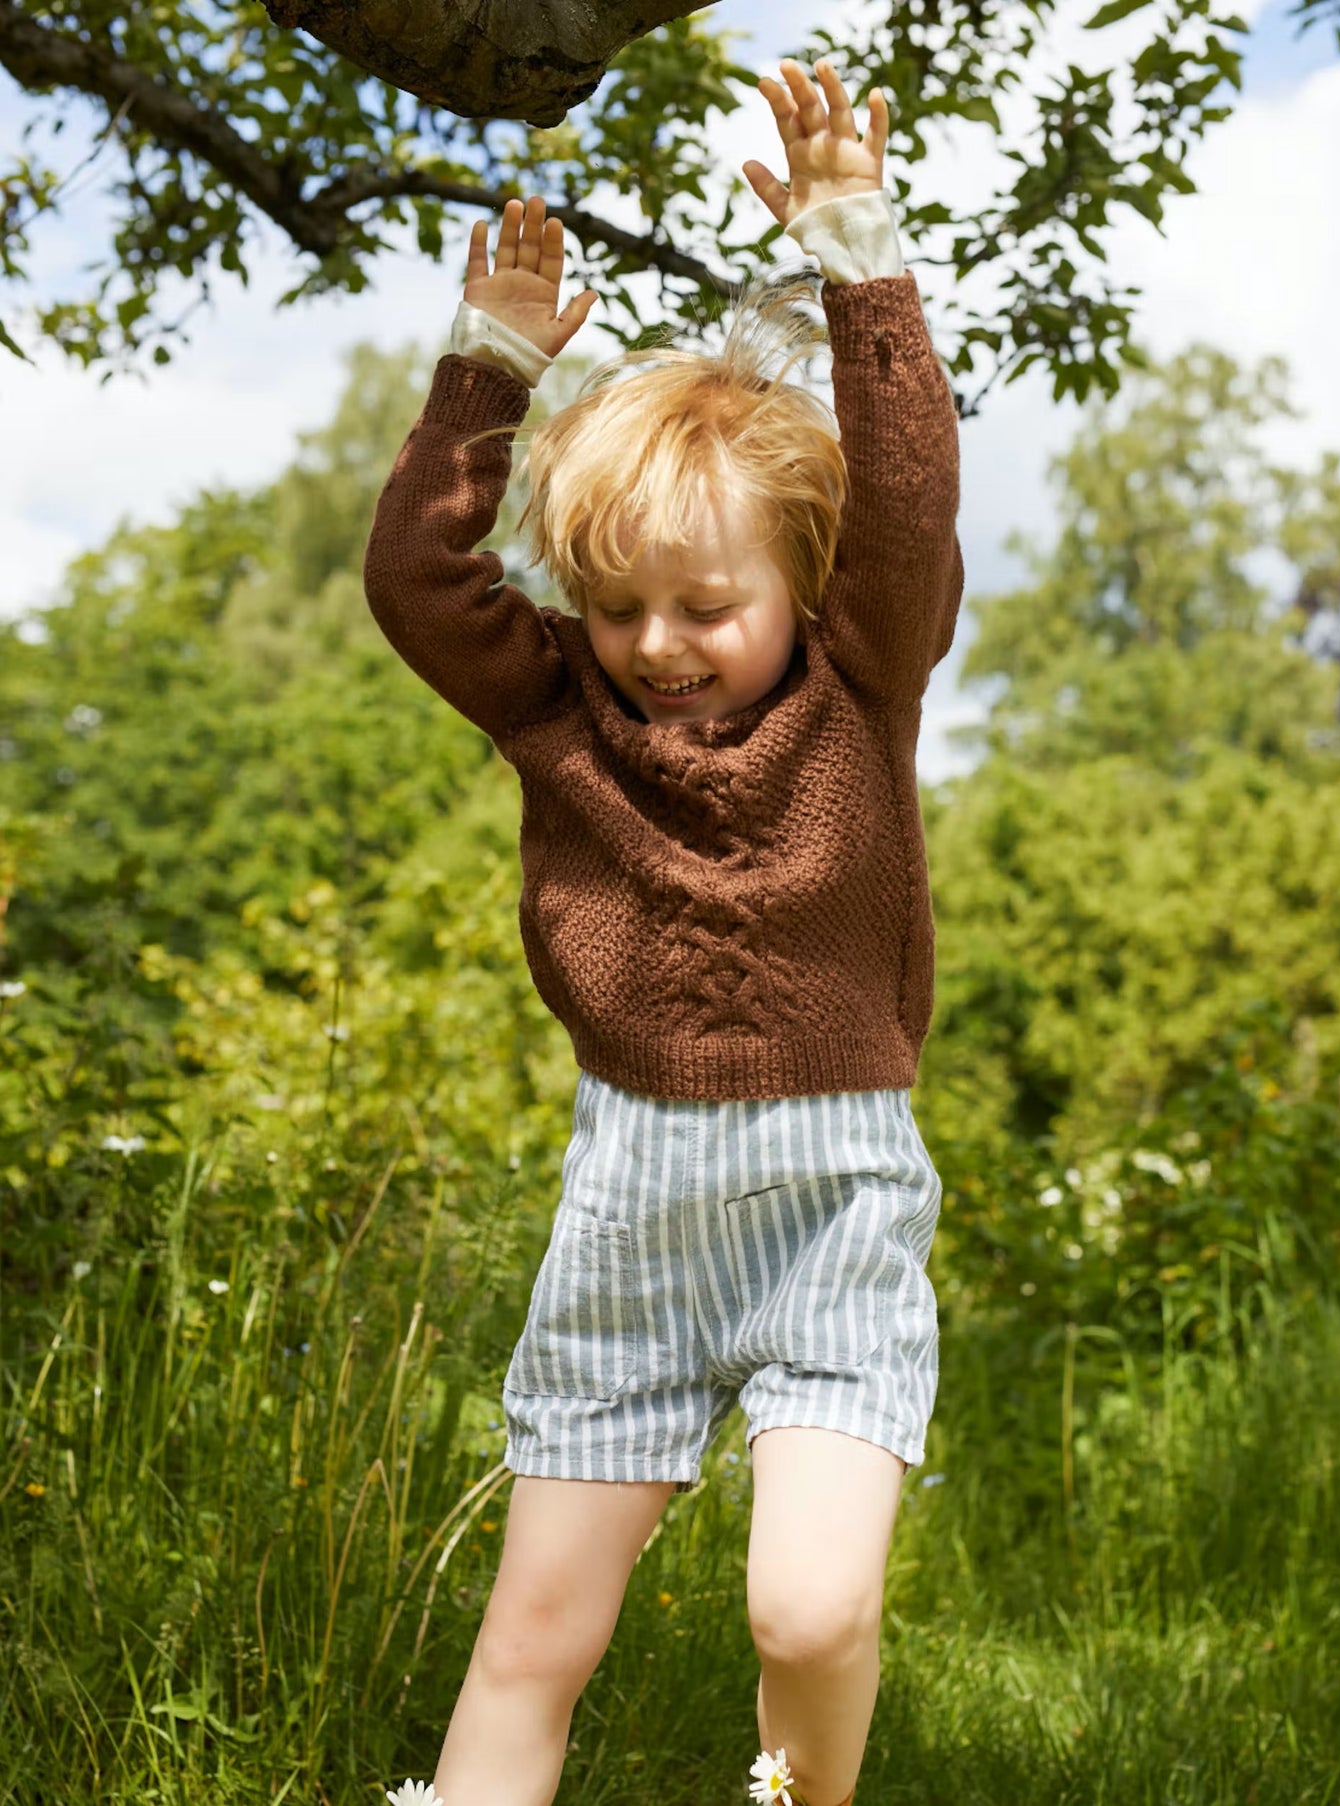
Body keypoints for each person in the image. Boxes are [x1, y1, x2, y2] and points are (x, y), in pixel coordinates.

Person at [367, 54, 964, 1806]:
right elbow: (419, 580)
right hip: (626, 1208)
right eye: (617, 604)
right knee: (535, 1630)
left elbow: (911, 491)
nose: (657, 643)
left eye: (707, 604)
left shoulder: (861, 683)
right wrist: (490, 366)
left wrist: (860, 255)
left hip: (832, 1206)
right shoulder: (561, 709)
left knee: (805, 1607)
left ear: (801, 584)